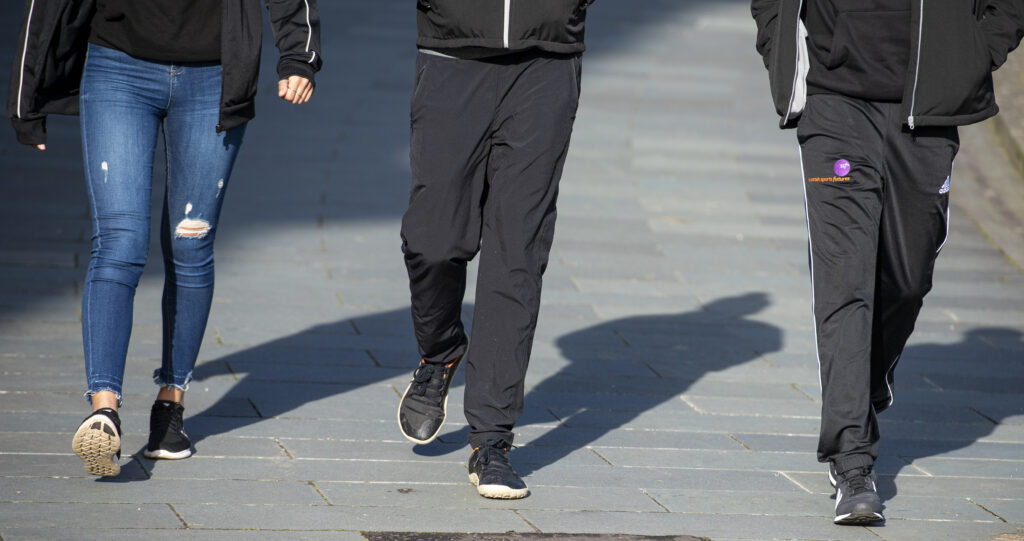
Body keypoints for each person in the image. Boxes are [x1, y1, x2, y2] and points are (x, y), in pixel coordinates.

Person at [8, 0, 322, 477]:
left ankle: (170, 405)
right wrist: (26, 93)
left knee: (190, 244)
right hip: (117, 67)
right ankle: (104, 409)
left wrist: (298, 53)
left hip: (216, 74)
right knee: (119, 243)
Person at [750, 0, 1023, 525]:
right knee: (844, 278)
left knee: (905, 280)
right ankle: (851, 459)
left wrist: (974, 55)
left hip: (926, 108)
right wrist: (778, 46)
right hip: (834, 106)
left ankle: (863, 381)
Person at [397, 0, 594, 499]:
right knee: (431, 241)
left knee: (518, 253)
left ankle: (492, 440)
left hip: (546, 63)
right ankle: (440, 353)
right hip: (451, 55)